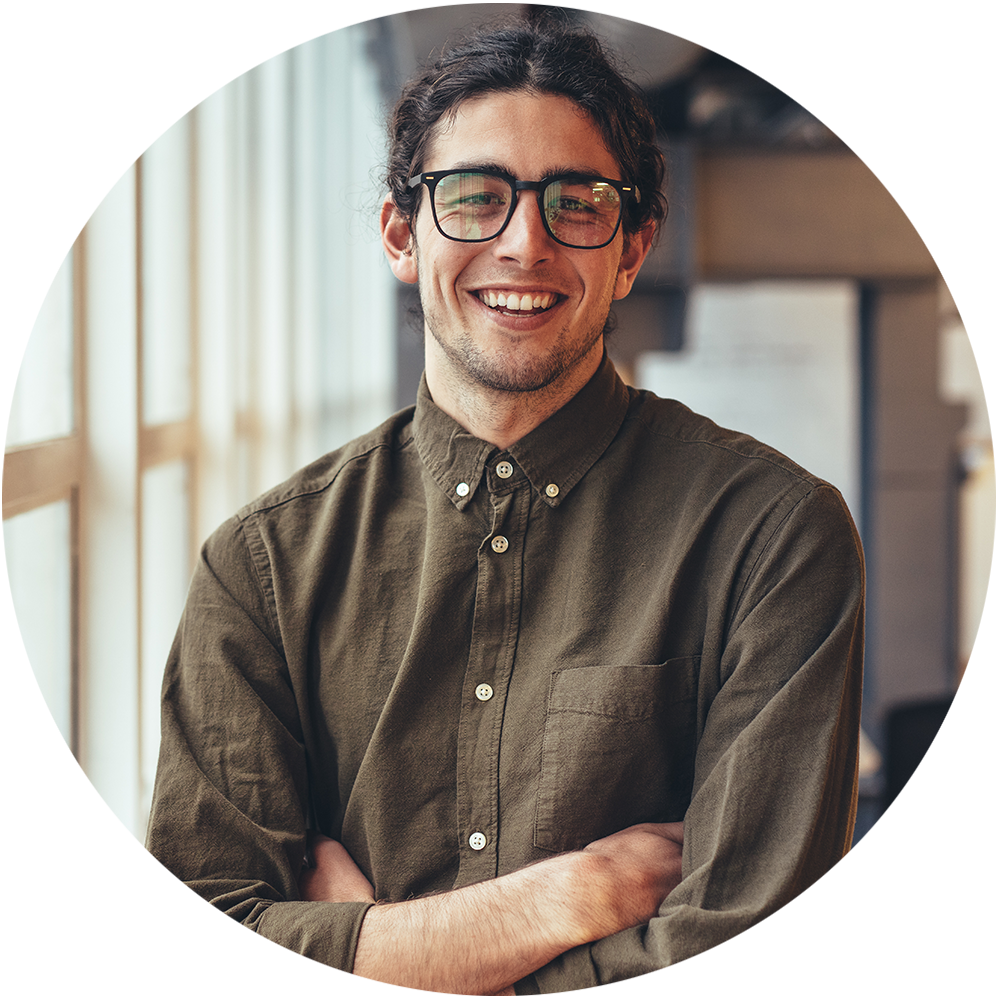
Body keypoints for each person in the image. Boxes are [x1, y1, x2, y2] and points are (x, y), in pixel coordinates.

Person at [147, 14, 864, 997]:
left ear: (632, 247)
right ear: (403, 236)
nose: (523, 244)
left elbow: (746, 951)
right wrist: (575, 895)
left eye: (576, 203)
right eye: (475, 197)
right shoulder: (261, 565)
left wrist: (372, 945)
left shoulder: (774, 539)